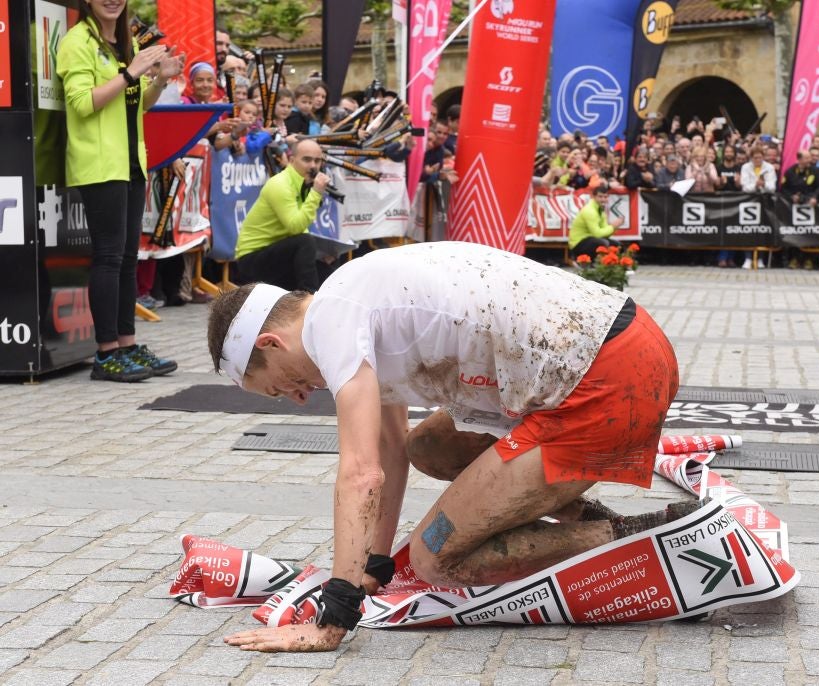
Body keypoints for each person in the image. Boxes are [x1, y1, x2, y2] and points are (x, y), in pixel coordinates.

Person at [210, 241, 693, 653]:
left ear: (271, 343)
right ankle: (593, 520)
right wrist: (374, 566)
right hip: (626, 345)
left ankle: (648, 538)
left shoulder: (329, 324)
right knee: (429, 446)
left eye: (279, 387)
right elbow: (391, 449)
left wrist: (334, 617)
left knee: (435, 559)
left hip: (608, 380)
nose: (298, 397)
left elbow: (360, 474)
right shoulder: (349, 298)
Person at [56, 0, 183, 382]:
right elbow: (82, 103)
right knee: (109, 258)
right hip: (98, 164)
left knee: (129, 258)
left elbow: (138, 105)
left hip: (130, 163)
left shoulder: (127, 42)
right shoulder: (77, 41)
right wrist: (130, 73)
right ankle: (106, 352)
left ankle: (127, 345)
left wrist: (159, 80)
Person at [235, 139, 330, 292]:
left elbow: (301, 228)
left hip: (276, 252)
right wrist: (316, 193)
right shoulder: (280, 184)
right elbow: (295, 227)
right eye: (307, 160)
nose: (313, 166)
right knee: (306, 242)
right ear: (292, 160)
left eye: (317, 161)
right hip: (252, 259)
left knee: (328, 271)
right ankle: (308, 300)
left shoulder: (304, 182)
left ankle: (316, 301)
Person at [568, 186, 624, 260]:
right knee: (603, 243)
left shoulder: (600, 210)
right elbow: (597, 234)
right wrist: (612, 227)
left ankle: (612, 264)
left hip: (590, 239)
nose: (603, 199)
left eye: (605, 197)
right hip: (577, 244)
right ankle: (583, 261)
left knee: (618, 245)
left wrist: (614, 227)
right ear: (593, 197)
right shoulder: (590, 210)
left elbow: (605, 234)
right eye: (600, 197)